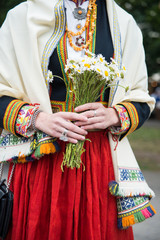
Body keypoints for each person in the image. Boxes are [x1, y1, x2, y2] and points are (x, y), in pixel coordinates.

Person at [0, 0, 156, 239]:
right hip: (39, 159)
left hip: (98, 161)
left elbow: (141, 96)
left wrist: (114, 114)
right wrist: (37, 119)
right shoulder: (20, 17)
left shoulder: (123, 23)